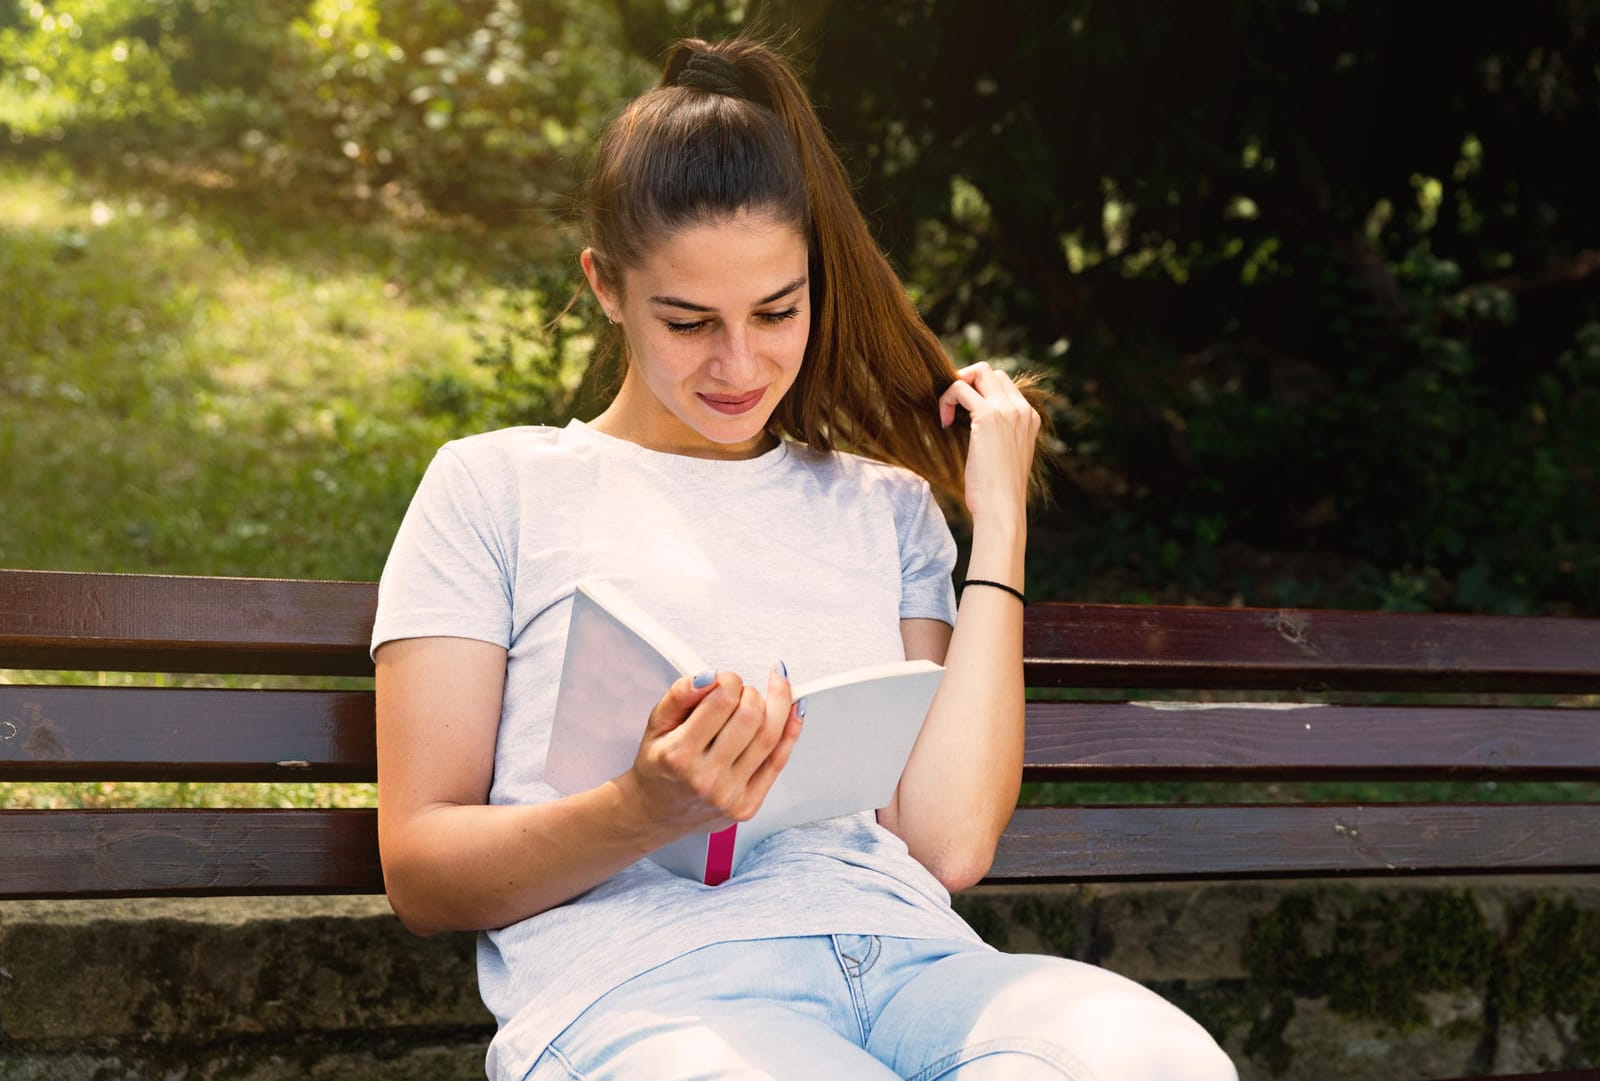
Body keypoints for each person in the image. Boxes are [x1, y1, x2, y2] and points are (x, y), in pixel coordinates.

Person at [371, 35, 1238, 1081]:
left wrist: (997, 526)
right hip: (650, 991)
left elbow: (950, 844)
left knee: (1159, 1064)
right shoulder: (493, 488)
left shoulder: (886, 507)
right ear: (605, 285)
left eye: (777, 311)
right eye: (690, 321)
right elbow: (422, 871)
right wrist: (642, 808)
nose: (740, 365)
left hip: (914, 968)